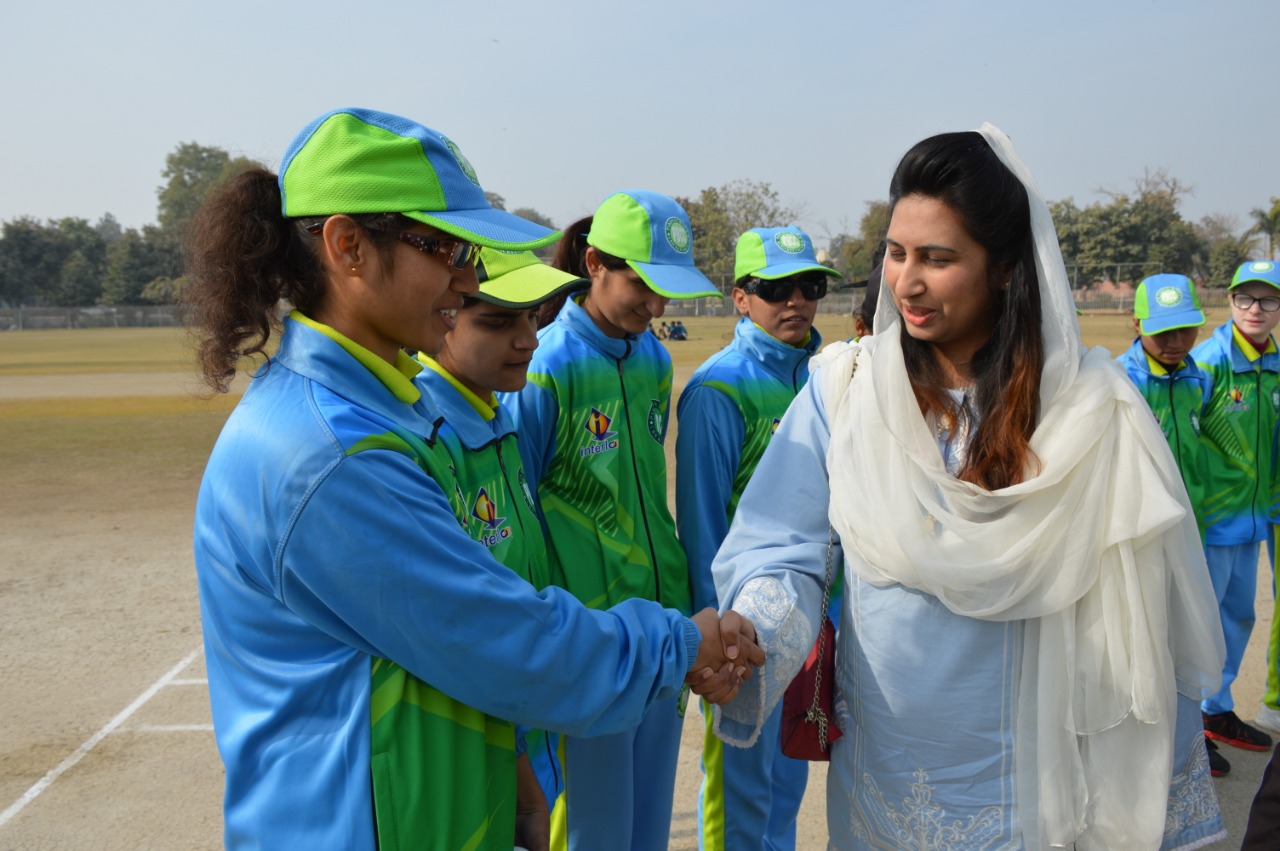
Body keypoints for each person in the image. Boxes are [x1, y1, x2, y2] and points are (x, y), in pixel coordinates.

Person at [183, 108, 759, 851]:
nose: (466, 276)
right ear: (347, 246)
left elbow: (448, 644)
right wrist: (679, 643)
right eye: (443, 247)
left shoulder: (385, 409)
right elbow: (508, 639)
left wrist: (508, 762)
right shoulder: (332, 453)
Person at [710, 125, 1226, 849]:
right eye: (896, 253)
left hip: (1037, 794)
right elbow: (784, 548)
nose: (907, 281)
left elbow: (1142, 628)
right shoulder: (846, 390)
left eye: (938, 258)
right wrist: (756, 630)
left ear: (1008, 267)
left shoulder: (1088, 411)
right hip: (884, 787)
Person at [505, 190, 720, 851]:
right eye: (644, 284)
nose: (657, 307)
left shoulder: (654, 359)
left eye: (668, 291)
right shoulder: (545, 366)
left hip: (663, 631)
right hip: (590, 642)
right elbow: (520, 511)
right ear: (595, 261)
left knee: (645, 827)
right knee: (592, 831)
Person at [414, 246, 589, 828]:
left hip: (529, 719)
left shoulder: (497, 415)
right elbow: (461, 633)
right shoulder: (426, 439)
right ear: (440, 317)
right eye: (496, 320)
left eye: (531, 317)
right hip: (480, 751)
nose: (529, 340)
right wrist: (520, 777)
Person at [675, 225, 837, 850]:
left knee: (787, 785)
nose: (795, 301)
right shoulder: (721, 389)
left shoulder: (825, 378)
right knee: (739, 793)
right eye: (775, 289)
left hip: (812, 622)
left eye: (809, 285)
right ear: (739, 297)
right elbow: (704, 527)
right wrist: (719, 640)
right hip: (746, 635)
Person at [1117, 273, 1224, 776]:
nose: (1177, 341)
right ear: (1136, 323)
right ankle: (1138, 732)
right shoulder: (1120, 381)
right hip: (1141, 534)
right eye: (1164, 332)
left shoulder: (1198, 379)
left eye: (1187, 330)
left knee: (1187, 628)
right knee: (1144, 632)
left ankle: (1191, 728)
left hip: (1193, 527)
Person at [1192, 260, 1280, 750]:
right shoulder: (1207, 362)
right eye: (1245, 298)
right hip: (1211, 519)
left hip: (1253, 519)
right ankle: (1192, 722)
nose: (1255, 309)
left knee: (1239, 615)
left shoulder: (1275, 365)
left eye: (1268, 300)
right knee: (1200, 621)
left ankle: (1216, 709)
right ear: (1229, 302)